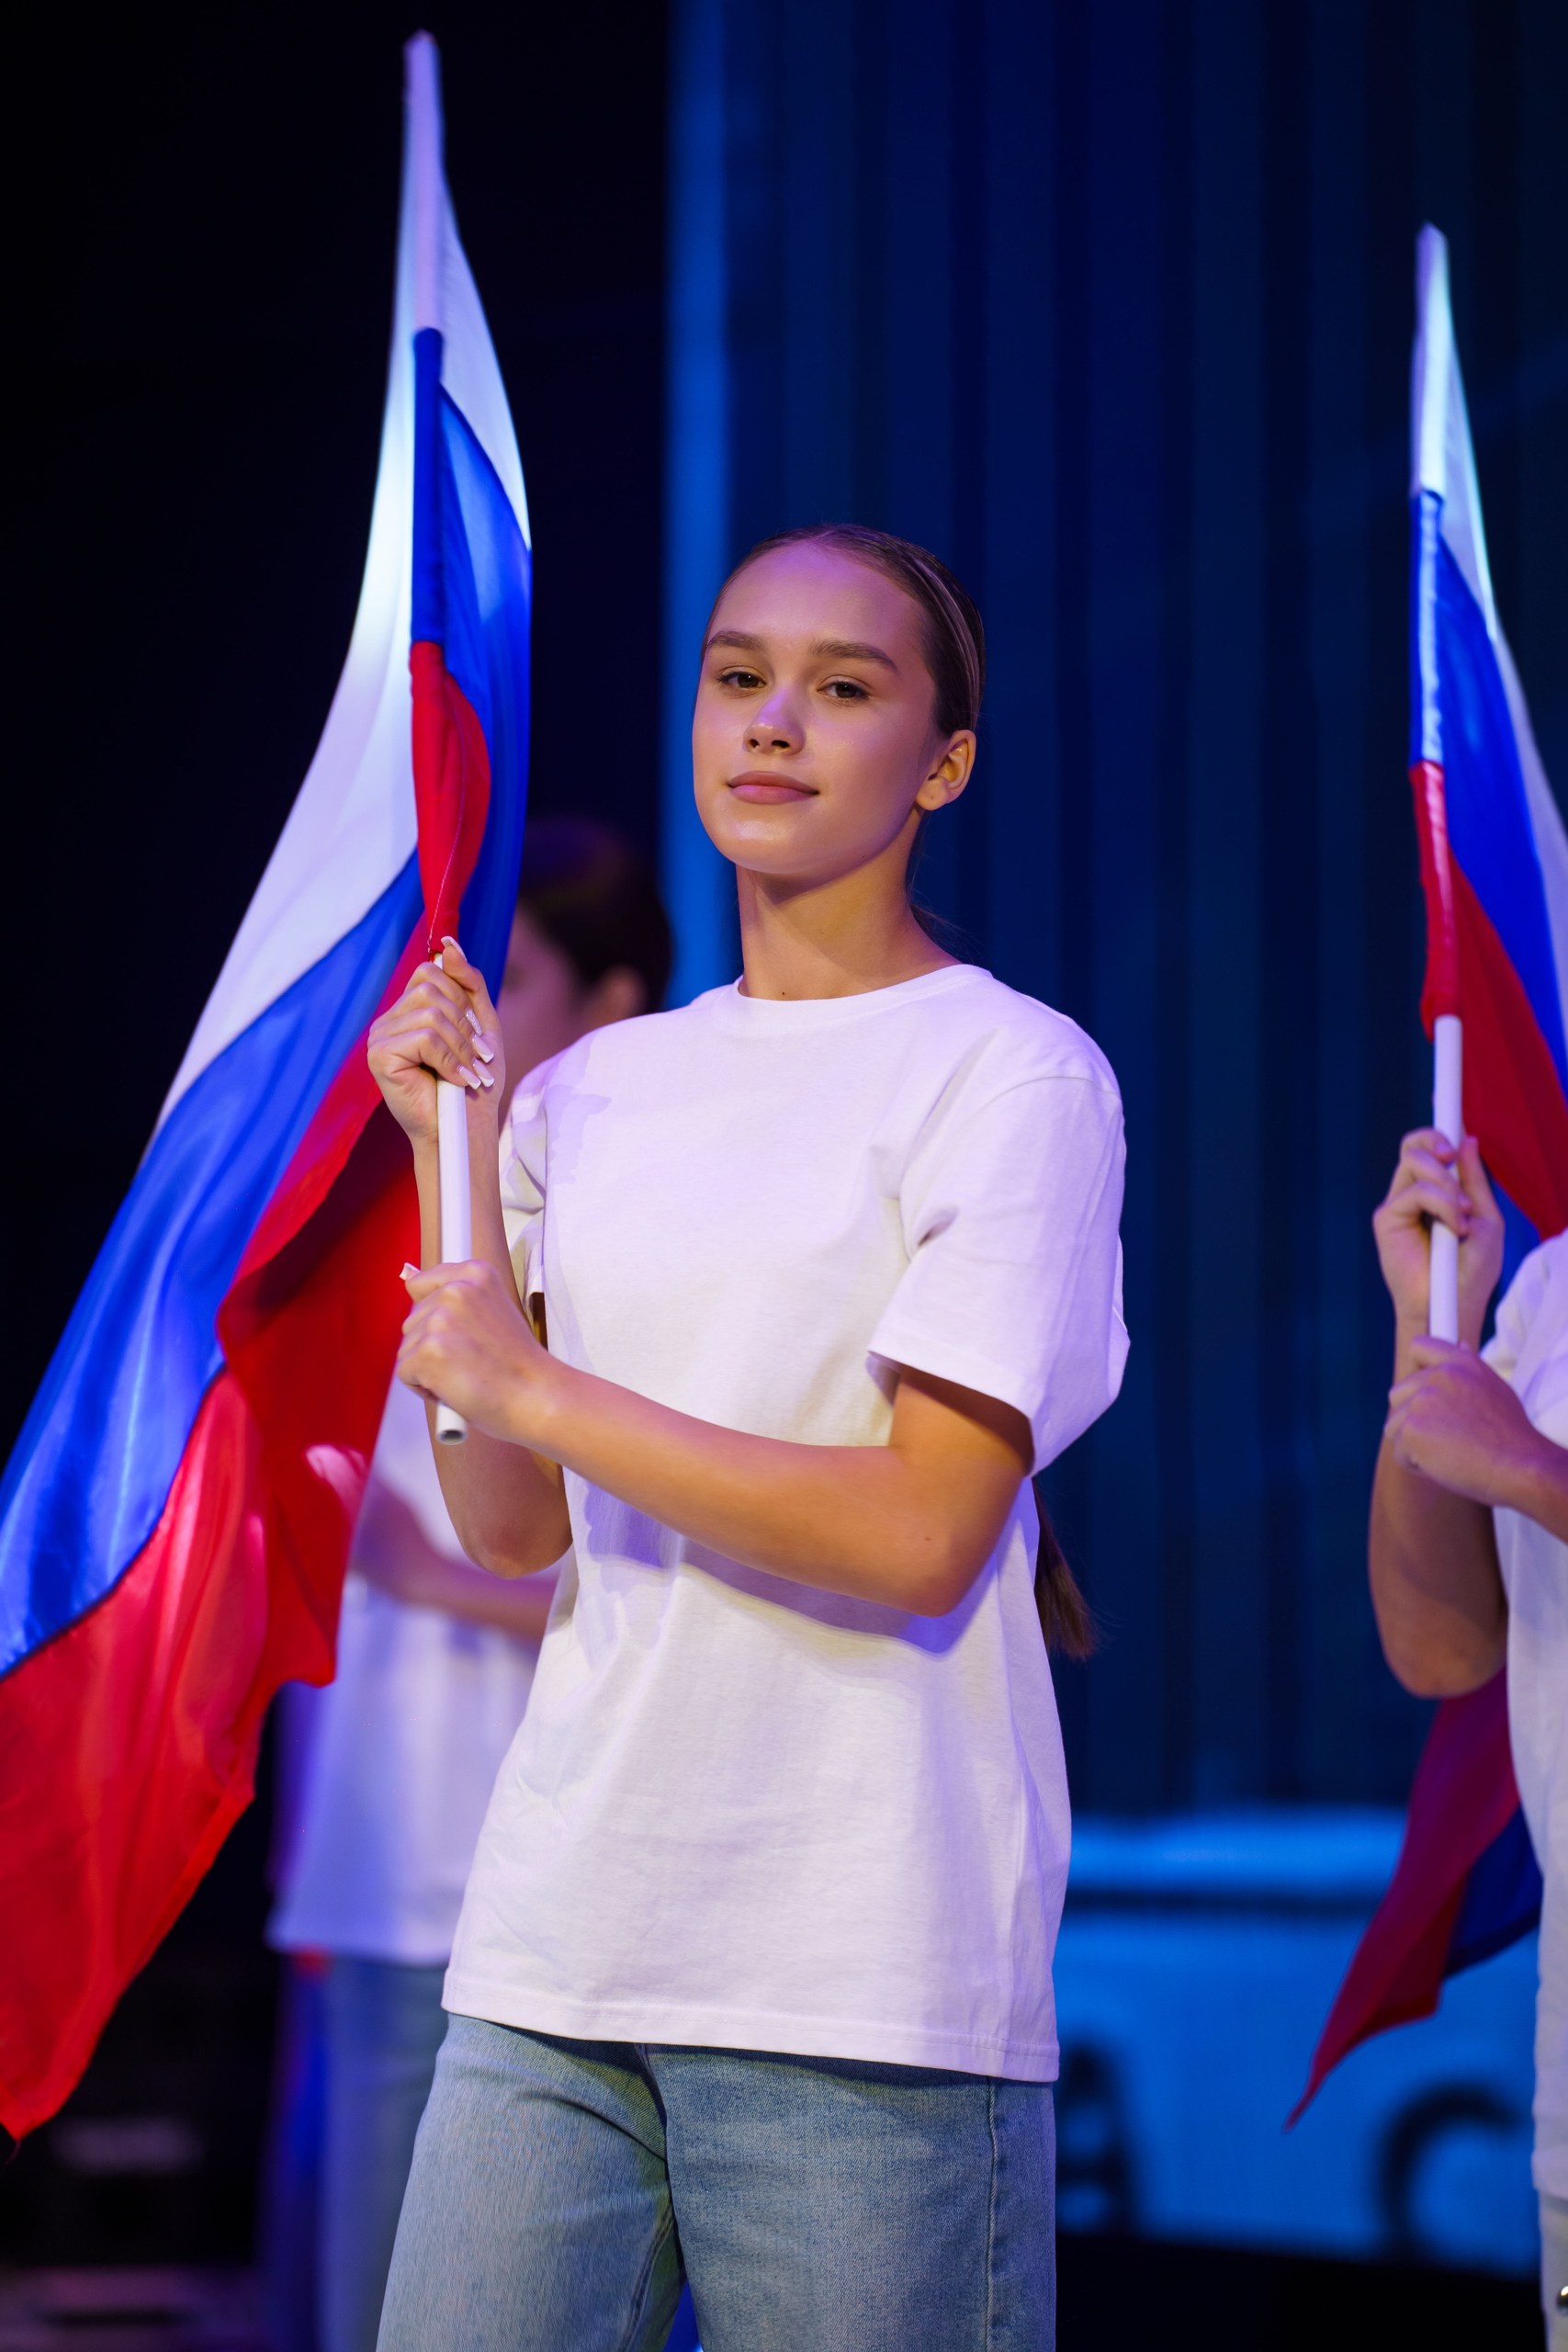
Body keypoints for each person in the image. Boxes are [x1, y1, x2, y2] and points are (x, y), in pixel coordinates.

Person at [368, 525, 1129, 2352]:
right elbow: (511, 1525)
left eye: (841, 688)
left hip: (858, 1971)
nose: (773, 721)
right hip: (559, 1940)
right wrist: (448, 1155)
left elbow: (923, 1531)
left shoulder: (1011, 1071)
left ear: (942, 762)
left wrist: (540, 1389)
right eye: (738, 676)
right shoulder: (584, 1093)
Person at [265, 820, 672, 2352]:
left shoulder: (626, 1237)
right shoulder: (401, 1210)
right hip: (378, 1865)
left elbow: (627, 1561)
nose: (469, 1009)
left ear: (614, 999)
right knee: (349, 2294)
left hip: (532, 1873)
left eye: (513, 977)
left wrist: (430, 1569)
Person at [1370, 1126, 1568, 2343]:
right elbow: (1440, 1647)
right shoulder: (1554, 1286)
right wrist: (1431, 1323)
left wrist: (1533, 1466)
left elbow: (1523, 1468)